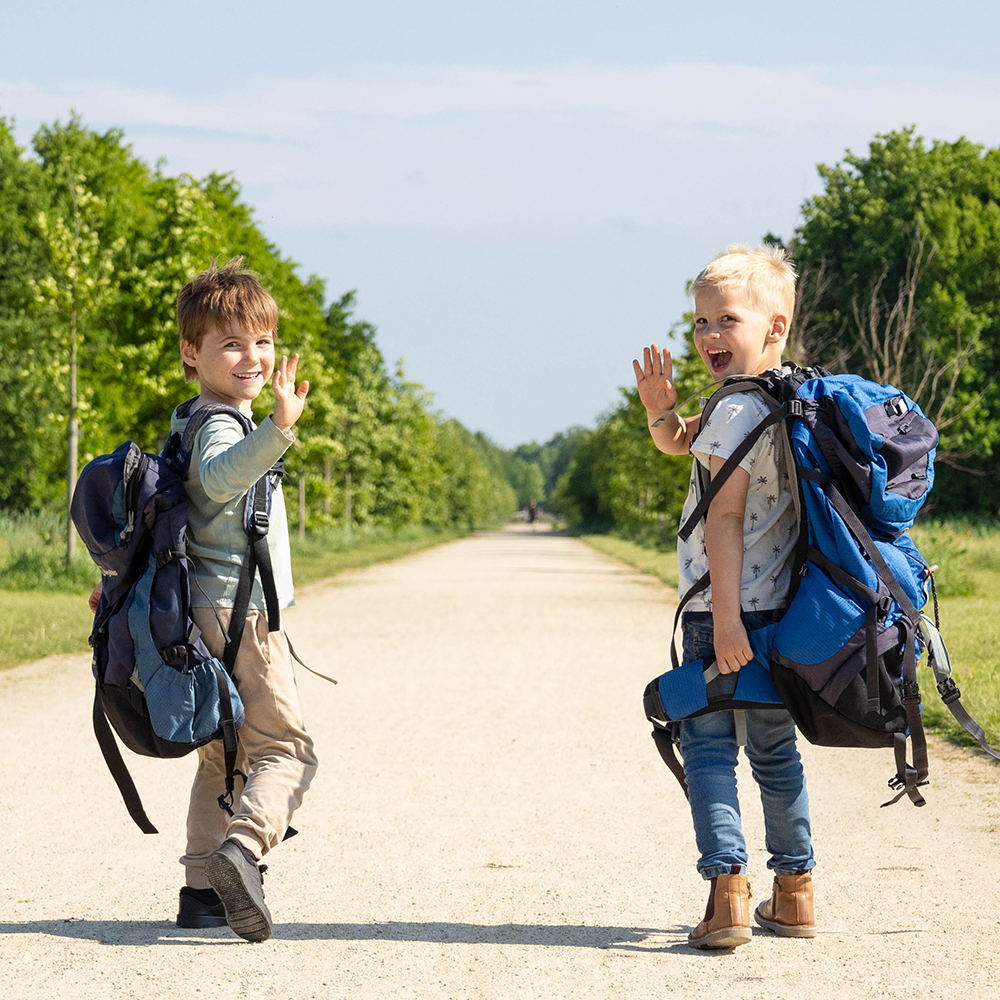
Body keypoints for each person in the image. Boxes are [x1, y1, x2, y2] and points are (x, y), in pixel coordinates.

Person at [633, 244, 816, 949]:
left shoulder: (736, 411)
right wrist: (661, 413)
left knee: (708, 747)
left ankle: (727, 895)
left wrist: (729, 620)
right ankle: (794, 892)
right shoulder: (778, 399)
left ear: (773, 327)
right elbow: (684, 445)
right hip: (780, 612)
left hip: (725, 614)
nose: (708, 335)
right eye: (701, 320)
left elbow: (725, 517)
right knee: (775, 752)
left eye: (725, 320)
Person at [170, 257, 316, 942]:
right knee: (287, 750)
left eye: (260, 340)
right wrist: (279, 430)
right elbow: (221, 480)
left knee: (219, 758)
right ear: (190, 352)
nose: (252, 356)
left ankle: (202, 894)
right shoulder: (222, 425)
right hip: (238, 616)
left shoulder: (194, 419)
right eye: (231, 342)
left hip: (207, 612)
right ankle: (244, 849)